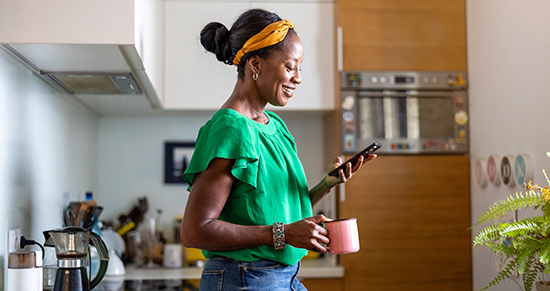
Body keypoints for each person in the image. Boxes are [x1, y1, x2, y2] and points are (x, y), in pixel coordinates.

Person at [181, 8, 375, 291]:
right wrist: (283, 234)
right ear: (256, 64)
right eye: (290, 66)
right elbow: (195, 231)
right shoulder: (229, 129)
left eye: (300, 68)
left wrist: (328, 183)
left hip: (284, 276)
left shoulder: (276, 127)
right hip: (244, 278)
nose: (298, 78)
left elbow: (272, 210)